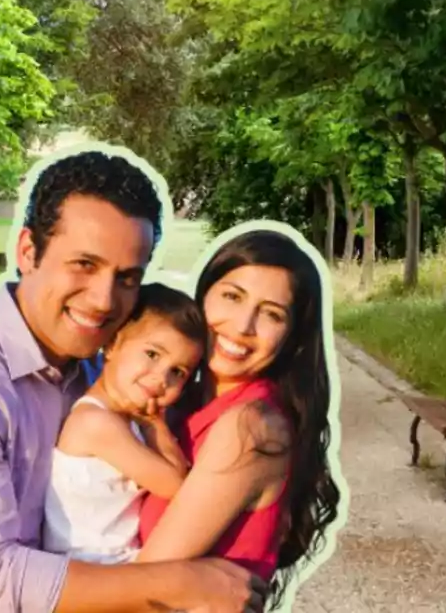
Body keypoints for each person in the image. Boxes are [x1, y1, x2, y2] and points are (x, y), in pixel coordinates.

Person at [0, 149, 267, 613]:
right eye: (84, 265)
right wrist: (180, 583)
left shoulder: (100, 371)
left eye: (127, 278)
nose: (103, 299)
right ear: (28, 252)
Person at [134, 229, 343, 611]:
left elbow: (145, 584)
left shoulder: (250, 427)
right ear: (203, 296)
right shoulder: (184, 403)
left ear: (292, 337)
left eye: (272, 314)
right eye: (232, 296)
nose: (243, 326)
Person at [41, 283, 207, 565]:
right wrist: (156, 423)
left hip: (111, 561)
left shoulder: (124, 419)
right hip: (89, 567)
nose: (160, 379)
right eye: (152, 354)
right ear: (112, 344)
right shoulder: (95, 423)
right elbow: (177, 485)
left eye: (178, 372)